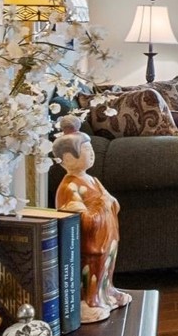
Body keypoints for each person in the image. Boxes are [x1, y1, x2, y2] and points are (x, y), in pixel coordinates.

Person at [51, 121, 129, 323]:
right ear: (68, 158)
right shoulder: (69, 187)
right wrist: (102, 205)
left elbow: (112, 203)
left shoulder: (93, 180)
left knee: (107, 267)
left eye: (91, 148)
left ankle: (107, 292)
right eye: (86, 149)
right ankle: (89, 302)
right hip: (90, 244)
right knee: (91, 270)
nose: (92, 153)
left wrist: (109, 203)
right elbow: (81, 221)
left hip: (108, 237)